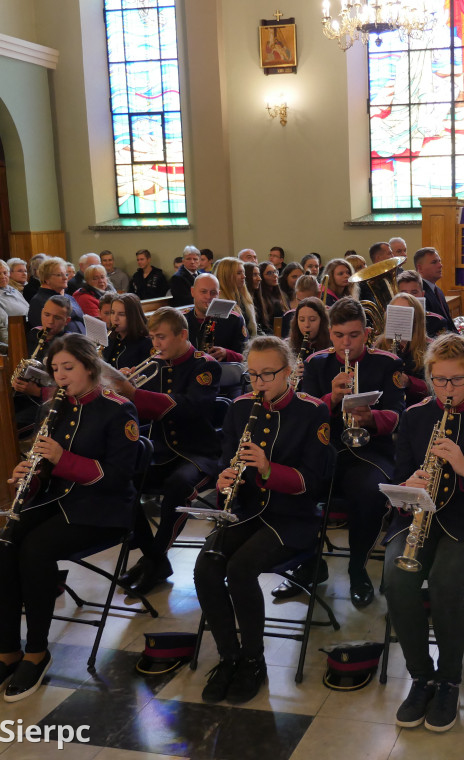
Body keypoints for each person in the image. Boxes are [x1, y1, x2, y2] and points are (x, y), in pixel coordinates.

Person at [0, 334, 139, 703]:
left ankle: (36, 652)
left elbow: (118, 476)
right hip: (58, 499)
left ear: (90, 367)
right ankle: (6, 651)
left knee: (35, 549)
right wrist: (31, 471)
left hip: (103, 508)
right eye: (55, 369)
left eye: (69, 368)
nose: (60, 376)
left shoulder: (118, 408)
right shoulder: (53, 408)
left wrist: (63, 460)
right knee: (3, 544)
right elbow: (47, 467)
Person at [383, 333, 464, 732]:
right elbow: (398, 476)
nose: (448, 390)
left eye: (457, 380)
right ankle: (421, 676)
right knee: (398, 580)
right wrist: (410, 483)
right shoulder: (415, 415)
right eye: (439, 381)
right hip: (419, 520)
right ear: (429, 378)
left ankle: (450, 680)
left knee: (443, 582)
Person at [195, 337, 332, 704]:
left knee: (240, 569)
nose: (259, 384)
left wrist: (270, 468)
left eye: (268, 375)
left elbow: (312, 483)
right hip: (247, 510)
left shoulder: (312, 411)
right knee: (206, 565)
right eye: (252, 375)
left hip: (293, 517)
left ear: (289, 373)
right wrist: (226, 480)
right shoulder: (240, 408)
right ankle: (229, 657)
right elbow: (227, 459)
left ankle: (254, 659)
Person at [280, 298, 405, 608]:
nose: (345, 343)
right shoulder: (317, 363)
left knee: (369, 493)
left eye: (353, 335)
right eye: (338, 335)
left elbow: (398, 414)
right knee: (296, 486)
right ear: (330, 333)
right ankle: (309, 561)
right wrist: (331, 399)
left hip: (371, 452)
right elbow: (303, 415)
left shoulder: (387, 363)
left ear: (366, 332)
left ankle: (357, 567)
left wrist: (370, 418)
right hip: (326, 450)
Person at [113, 307, 222, 595]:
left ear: (182, 335)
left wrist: (136, 394)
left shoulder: (205, 366)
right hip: (163, 453)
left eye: (161, 337)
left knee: (178, 485)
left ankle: (153, 561)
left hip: (200, 453)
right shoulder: (156, 364)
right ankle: (155, 559)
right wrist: (122, 392)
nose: (155, 344)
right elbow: (140, 414)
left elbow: (191, 408)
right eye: (152, 337)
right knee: (124, 483)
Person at [376, 292, 430, 404]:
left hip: (416, 407)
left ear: (416, 318)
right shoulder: (379, 345)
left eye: (405, 313)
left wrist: (409, 382)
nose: (399, 318)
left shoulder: (430, 348)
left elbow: (434, 387)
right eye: (395, 312)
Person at [186, 274, 248, 363]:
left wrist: (227, 354)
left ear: (219, 294)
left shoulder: (234, 319)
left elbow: (246, 356)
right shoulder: (181, 319)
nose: (208, 297)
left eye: (213, 293)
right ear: (192, 292)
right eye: (203, 292)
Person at [26, 258, 85, 333]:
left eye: (66, 274)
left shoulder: (68, 297)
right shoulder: (39, 301)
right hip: (63, 343)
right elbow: (48, 332)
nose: (65, 278)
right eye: (59, 275)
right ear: (46, 278)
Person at [287, 296, 330, 390]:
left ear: (322, 320)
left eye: (312, 320)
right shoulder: (287, 346)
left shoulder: (332, 346)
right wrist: (289, 380)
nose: (306, 325)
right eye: (301, 320)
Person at [104, 293, 153, 370]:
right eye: (112, 313)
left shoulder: (146, 343)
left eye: (121, 314)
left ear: (133, 317)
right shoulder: (111, 338)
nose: (115, 318)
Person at [414, 248, 456, 333]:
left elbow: (448, 322)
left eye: (439, 261)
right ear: (420, 268)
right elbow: (430, 330)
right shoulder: (419, 294)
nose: (440, 265)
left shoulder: (438, 291)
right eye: (434, 262)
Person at [397, 270, 448, 337]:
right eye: (404, 293)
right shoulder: (391, 321)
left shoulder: (438, 321)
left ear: (422, 294)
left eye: (414, 292)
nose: (409, 297)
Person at [213, 257, 257, 335]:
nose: (244, 276)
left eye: (244, 272)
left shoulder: (243, 296)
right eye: (239, 273)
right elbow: (220, 335)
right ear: (226, 276)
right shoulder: (219, 303)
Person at [279, 273, 321, 339]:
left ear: (318, 295)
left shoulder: (326, 315)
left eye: (309, 302)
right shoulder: (289, 316)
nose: (304, 306)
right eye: (300, 301)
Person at [258, 261, 285, 327]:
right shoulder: (260, 298)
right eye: (269, 273)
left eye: (275, 272)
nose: (275, 275)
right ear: (261, 276)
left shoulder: (282, 295)